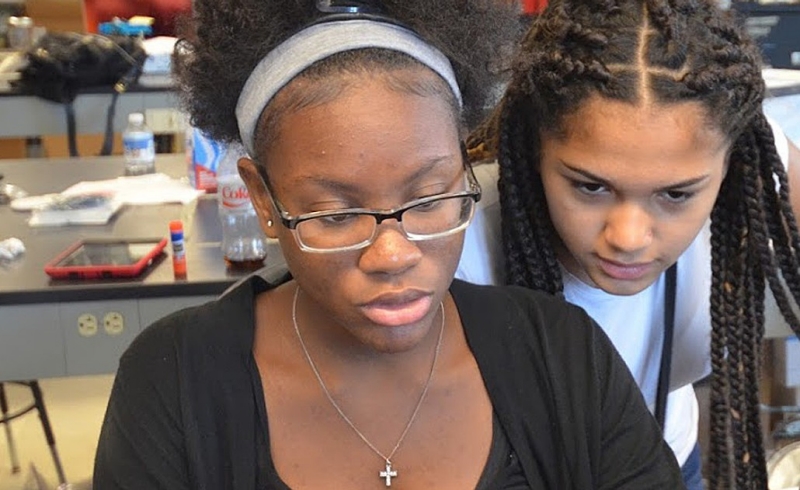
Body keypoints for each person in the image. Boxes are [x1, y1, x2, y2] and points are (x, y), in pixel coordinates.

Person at [93, 1, 684, 488]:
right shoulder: (174, 382)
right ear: (264, 200)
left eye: (430, 199)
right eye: (337, 213)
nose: (394, 254)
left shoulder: (563, 355)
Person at [458, 0, 800, 488]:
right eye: (590, 187)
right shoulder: (463, 243)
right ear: (536, 149)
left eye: (677, 194)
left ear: (731, 164)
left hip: (673, 460)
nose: (628, 239)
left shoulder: (744, 159)